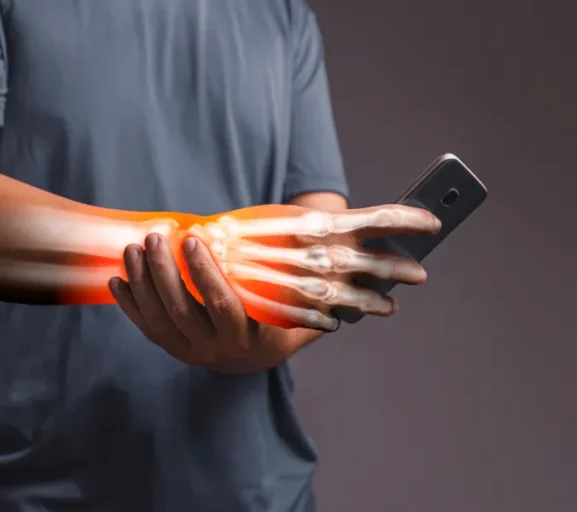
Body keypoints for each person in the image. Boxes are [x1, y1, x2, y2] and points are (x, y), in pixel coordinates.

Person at [0, 1, 434, 510]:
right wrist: (208, 252)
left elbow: (320, 243)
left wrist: (265, 335)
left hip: (254, 491)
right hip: (38, 486)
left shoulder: (285, 17)